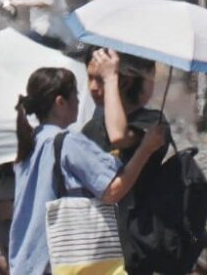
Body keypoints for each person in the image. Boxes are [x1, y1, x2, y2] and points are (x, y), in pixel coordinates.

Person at [9, 67, 166, 274]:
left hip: (27, 264)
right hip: (58, 264)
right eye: (75, 94)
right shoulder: (68, 143)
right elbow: (112, 191)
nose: (79, 100)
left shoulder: (31, 142)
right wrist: (146, 148)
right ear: (60, 102)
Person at [80, 50, 170, 274]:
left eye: (99, 79)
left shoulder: (152, 124)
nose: (91, 87)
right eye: (89, 78)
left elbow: (119, 136)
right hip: (95, 246)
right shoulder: (91, 129)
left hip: (134, 248)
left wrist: (111, 77)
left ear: (125, 82)